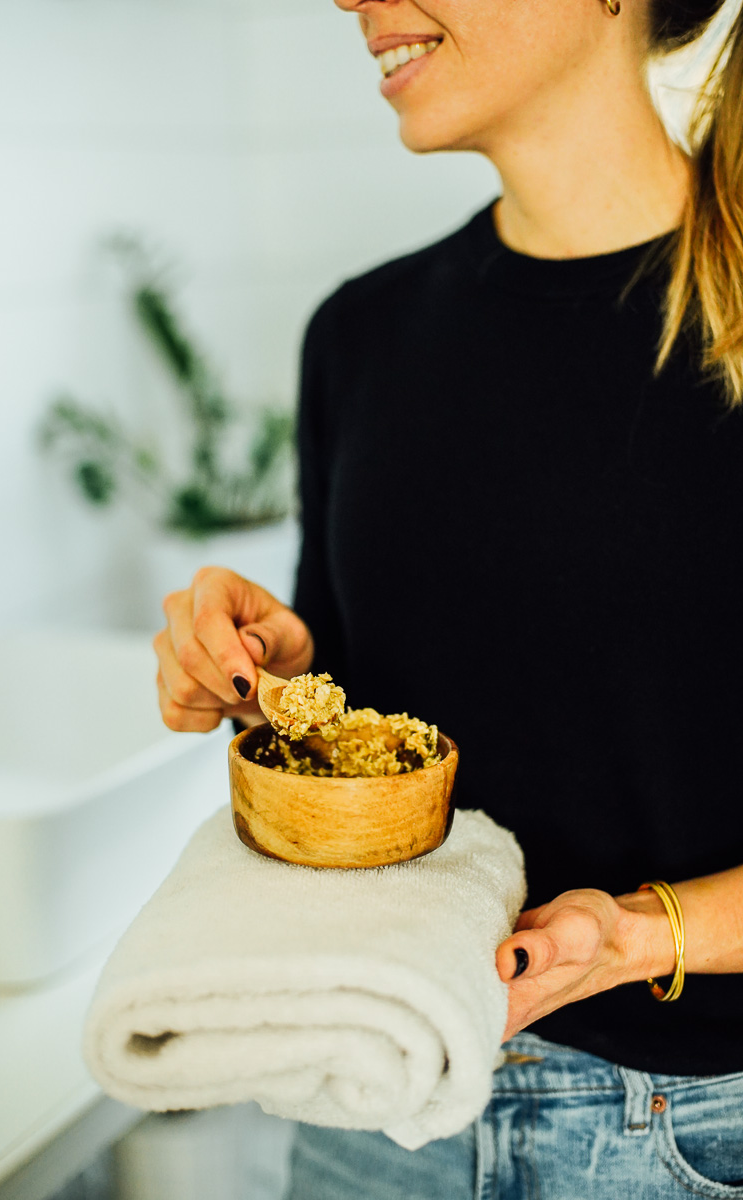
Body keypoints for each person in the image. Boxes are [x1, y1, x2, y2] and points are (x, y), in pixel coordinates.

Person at [153, 0, 743, 1194]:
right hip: (373, 1086)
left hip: (682, 1129)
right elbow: (373, 736)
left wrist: (634, 935)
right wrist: (267, 669)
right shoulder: (358, 337)